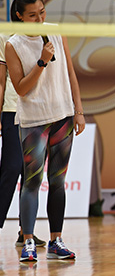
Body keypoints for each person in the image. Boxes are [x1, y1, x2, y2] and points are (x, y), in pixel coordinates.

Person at [5, 0, 85, 262]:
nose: (39, 18)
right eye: (32, 15)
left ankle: (56, 240)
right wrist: (41, 61)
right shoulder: (13, 44)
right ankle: (28, 241)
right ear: (19, 15)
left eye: (42, 12)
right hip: (33, 121)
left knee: (58, 182)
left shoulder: (56, 33)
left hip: (62, 115)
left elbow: (70, 73)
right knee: (31, 181)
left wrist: (79, 111)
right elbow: (21, 89)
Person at [0, 34, 46, 247]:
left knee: (30, 174)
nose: (38, 18)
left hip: (37, 110)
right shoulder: (5, 39)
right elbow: (1, 81)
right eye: (32, 14)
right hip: (11, 110)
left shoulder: (44, 38)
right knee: (10, 169)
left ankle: (25, 231)